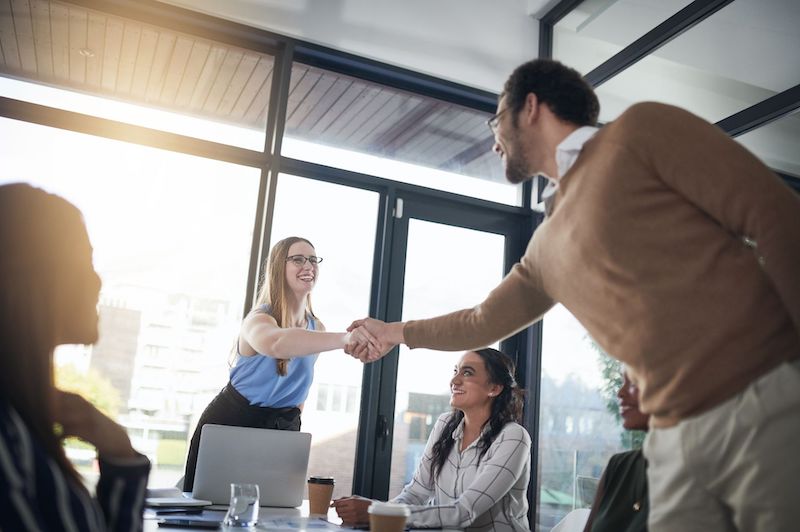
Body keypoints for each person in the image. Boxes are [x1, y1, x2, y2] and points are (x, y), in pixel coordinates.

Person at [346, 58, 800, 531]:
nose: (492, 137)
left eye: (496, 120)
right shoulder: (546, 244)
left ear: (531, 107)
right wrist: (393, 332)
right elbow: (481, 321)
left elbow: (777, 217)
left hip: (760, 396)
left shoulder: (638, 132)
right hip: (671, 436)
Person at [0, 183, 150, 531]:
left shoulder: (21, 423)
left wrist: (119, 452)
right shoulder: (6, 434)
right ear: (34, 277)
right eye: (84, 261)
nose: (97, 280)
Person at [182, 236, 377, 491]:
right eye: (298, 259)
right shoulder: (258, 319)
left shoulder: (315, 327)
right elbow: (276, 344)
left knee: (274, 510)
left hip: (284, 427)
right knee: (210, 509)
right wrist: (346, 338)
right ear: (278, 268)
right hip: (232, 422)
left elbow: (299, 390)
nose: (308, 265)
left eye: (312, 259)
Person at [334, 348, 531, 532]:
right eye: (456, 371)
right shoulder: (445, 424)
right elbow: (417, 493)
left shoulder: (513, 437)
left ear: (494, 388)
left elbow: (465, 512)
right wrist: (380, 513)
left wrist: (376, 511)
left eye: (468, 373)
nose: (454, 380)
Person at [583, 369, 650, 532]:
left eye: (633, 383)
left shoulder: (698, 471)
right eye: (622, 382)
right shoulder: (618, 466)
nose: (620, 392)